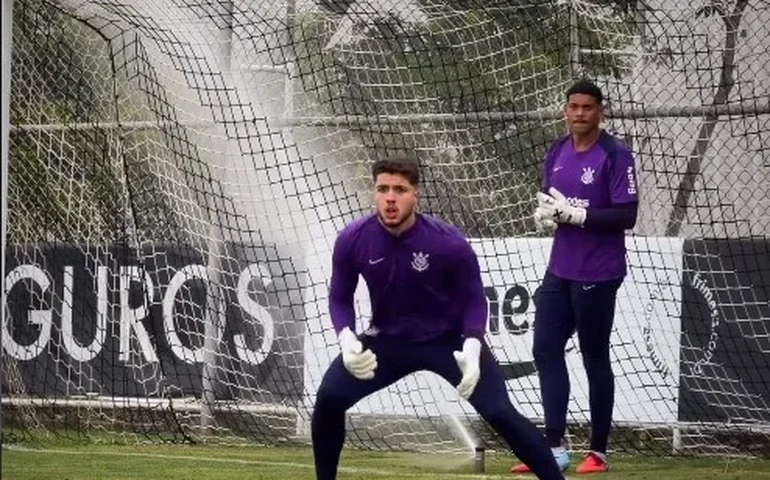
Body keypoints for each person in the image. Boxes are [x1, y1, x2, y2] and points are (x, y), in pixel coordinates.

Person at [311, 155, 566, 480]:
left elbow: (475, 299)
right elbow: (339, 296)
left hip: (450, 343)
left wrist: (473, 348)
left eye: (400, 189)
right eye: (383, 188)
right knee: (330, 397)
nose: (390, 197)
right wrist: (346, 337)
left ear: (416, 194)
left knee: (499, 412)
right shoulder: (352, 239)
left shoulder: (448, 242)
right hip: (387, 342)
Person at [511, 79, 639, 475]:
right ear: (565, 110)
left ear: (601, 110)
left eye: (587, 107)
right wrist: (547, 212)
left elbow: (627, 215)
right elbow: (549, 194)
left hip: (599, 272)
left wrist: (579, 216)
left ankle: (598, 452)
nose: (579, 113)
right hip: (560, 268)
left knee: (593, 355)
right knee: (545, 349)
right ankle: (553, 448)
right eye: (573, 106)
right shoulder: (556, 150)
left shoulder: (616, 155)